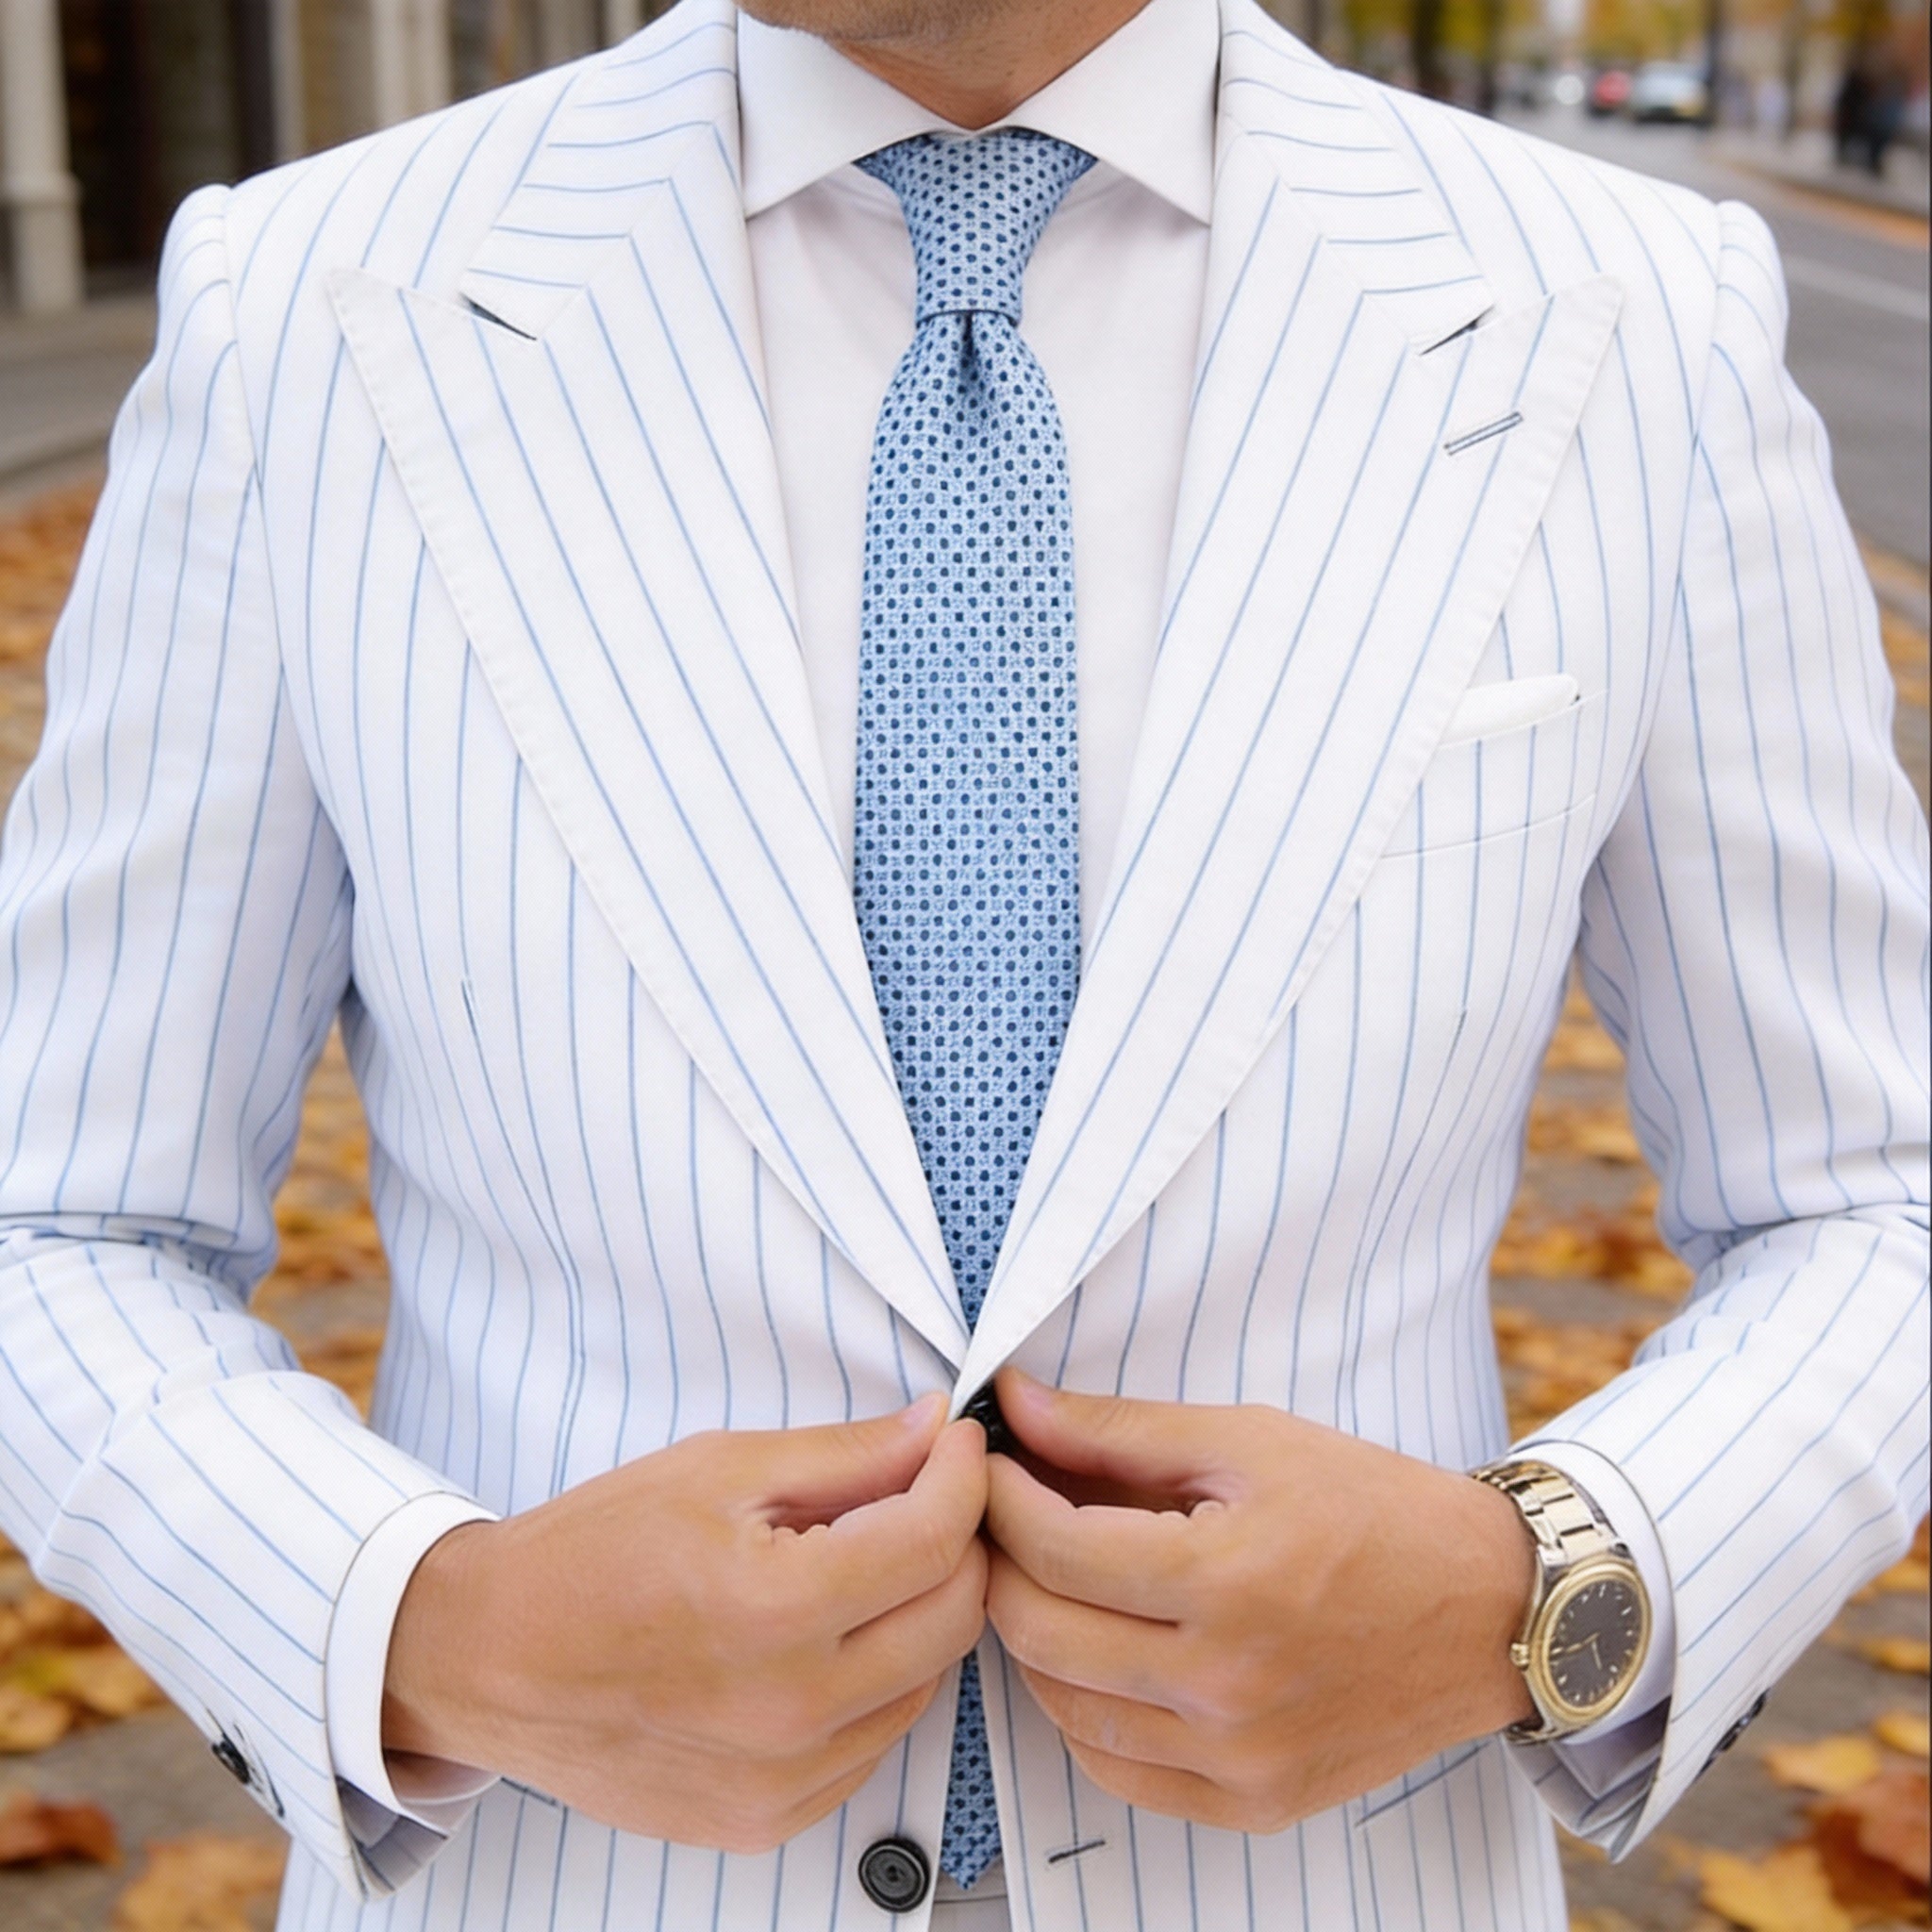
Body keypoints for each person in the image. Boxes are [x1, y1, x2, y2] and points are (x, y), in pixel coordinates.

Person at [0, 0, 1924, 1926]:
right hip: (560, 1874)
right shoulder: (310, 308)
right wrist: (424, 1631)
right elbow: (58, 1217)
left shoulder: (1632, 316)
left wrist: (1550, 1594)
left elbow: (1871, 1195)